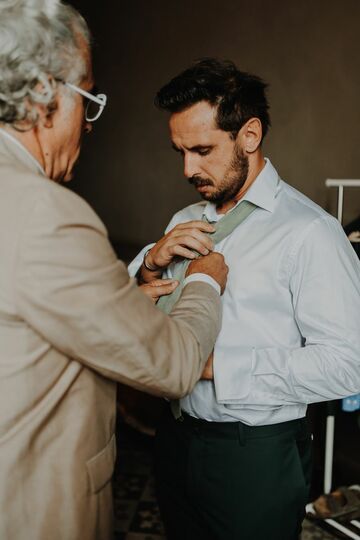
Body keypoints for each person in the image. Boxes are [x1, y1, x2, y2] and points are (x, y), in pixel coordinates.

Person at [0, 3, 229, 540]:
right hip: (31, 503)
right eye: (88, 100)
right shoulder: (45, 212)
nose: (89, 125)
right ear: (46, 97)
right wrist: (203, 280)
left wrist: (128, 293)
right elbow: (171, 363)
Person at [129, 58, 360, 540]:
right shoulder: (183, 218)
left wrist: (211, 366)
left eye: (202, 150)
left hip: (252, 454)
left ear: (249, 136)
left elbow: (347, 364)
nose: (188, 168)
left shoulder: (310, 232)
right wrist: (150, 263)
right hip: (173, 439)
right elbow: (130, 312)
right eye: (180, 151)